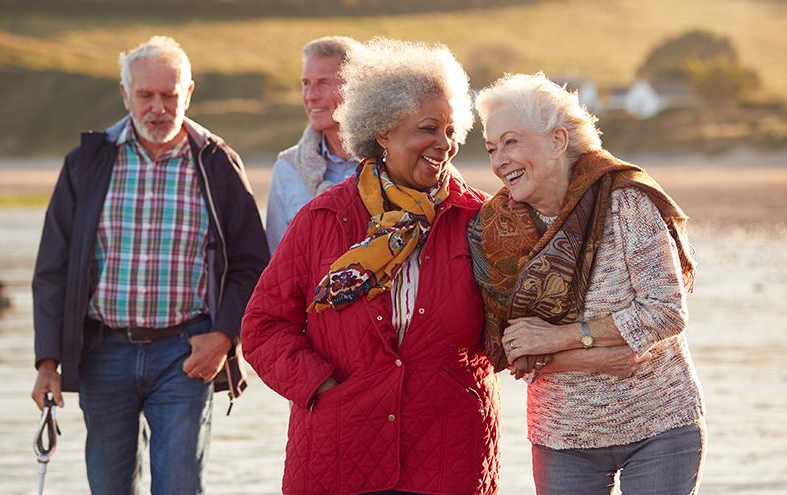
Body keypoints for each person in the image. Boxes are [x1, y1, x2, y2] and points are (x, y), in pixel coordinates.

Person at [242, 38, 500, 495]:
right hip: (340, 450)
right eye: (428, 129)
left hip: (448, 452)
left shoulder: (477, 220)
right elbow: (263, 326)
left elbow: (514, 327)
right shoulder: (321, 219)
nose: (445, 145)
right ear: (382, 132)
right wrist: (319, 386)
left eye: (451, 130)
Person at [29, 36, 269, 494]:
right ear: (125, 95)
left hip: (186, 355)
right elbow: (52, 270)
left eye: (169, 94)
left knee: (180, 486)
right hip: (103, 354)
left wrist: (223, 336)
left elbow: (251, 264)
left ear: (189, 93)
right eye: (145, 95)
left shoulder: (218, 164)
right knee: (109, 487)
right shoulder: (87, 163)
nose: (158, 107)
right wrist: (47, 361)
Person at [469, 72, 705, 494]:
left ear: (558, 141)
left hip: (660, 425)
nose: (499, 160)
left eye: (511, 142)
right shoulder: (494, 228)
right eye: (491, 148)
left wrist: (558, 337)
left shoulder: (625, 201)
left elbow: (665, 312)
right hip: (561, 437)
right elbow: (511, 347)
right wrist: (604, 356)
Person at [265, 36, 361, 253]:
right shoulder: (287, 168)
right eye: (305, 84)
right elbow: (276, 264)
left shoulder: (395, 163)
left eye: (323, 83)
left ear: (356, 88)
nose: (310, 96)